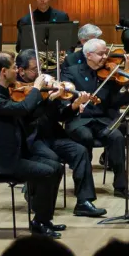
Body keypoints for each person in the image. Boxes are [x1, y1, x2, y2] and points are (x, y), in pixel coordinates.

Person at [0, 52, 66, 238]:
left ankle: (43, 219)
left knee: (56, 167)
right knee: (46, 172)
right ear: (3, 71)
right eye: (12, 68)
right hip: (1, 160)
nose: (16, 71)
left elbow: (27, 114)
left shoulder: (6, 91)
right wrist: (36, 89)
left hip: (16, 151)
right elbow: (22, 109)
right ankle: (39, 222)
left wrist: (49, 98)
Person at [12, 49, 104, 218]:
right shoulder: (15, 90)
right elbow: (26, 115)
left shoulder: (47, 86)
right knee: (51, 161)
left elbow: (60, 115)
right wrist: (46, 98)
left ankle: (83, 202)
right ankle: (35, 196)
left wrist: (75, 104)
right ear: (21, 70)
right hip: (31, 139)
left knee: (80, 151)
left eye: (40, 69)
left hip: (52, 135)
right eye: (34, 70)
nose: (39, 74)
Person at [61, 39, 129, 203]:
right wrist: (76, 102)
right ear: (88, 55)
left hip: (101, 119)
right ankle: (84, 189)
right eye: (101, 54)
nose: (106, 57)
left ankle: (121, 186)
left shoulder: (110, 74)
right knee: (85, 137)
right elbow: (66, 96)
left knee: (117, 137)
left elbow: (114, 102)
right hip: (79, 120)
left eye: (106, 53)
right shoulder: (71, 72)